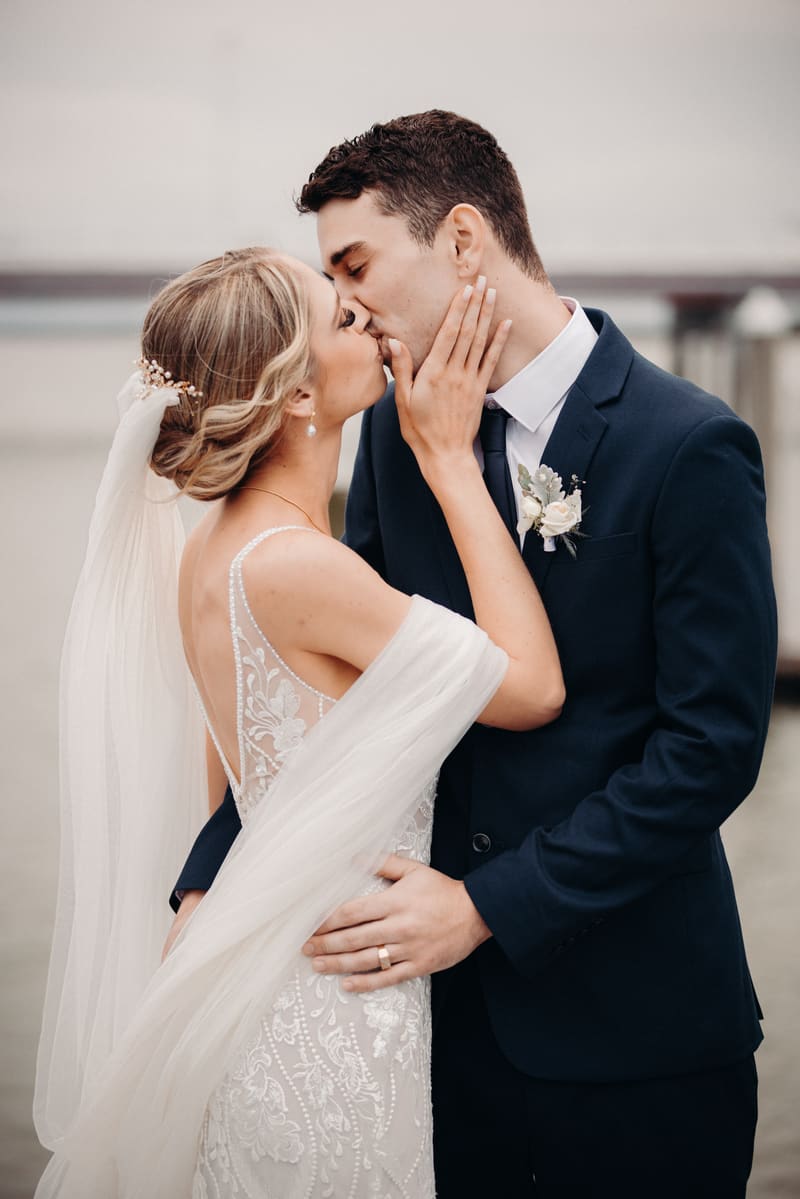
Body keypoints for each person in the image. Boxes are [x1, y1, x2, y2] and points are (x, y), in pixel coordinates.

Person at [170, 112, 778, 1197]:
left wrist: (486, 902)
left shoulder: (684, 444)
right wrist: (205, 878)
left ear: (461, 240)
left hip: (634, 1036)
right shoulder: (397, 441)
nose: (348, 306)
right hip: (430, 1041)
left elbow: (709, 749)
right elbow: (333, 695)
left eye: (356, 266)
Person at [33, 247, 565, 1198]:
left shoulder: (213, 552)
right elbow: (531, 687)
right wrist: (448, 462)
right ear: (297, 398)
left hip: (279, 969)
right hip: (332, 1001)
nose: (373, 318)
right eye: (346, 321)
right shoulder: (296, 566)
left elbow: (234, 779)